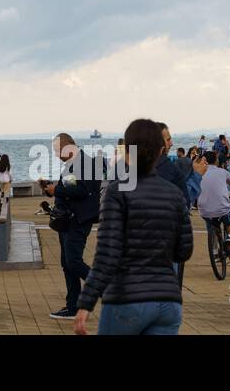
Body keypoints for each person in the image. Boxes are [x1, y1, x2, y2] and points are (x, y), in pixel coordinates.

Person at [73, 119, 192, 335]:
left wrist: (86, 302)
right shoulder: (174, 194)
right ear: (160, 151)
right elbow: (184, 250)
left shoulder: (117, 193)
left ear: (127, 153)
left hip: (126, 298)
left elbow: (107, 255)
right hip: (168, 301)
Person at [41, 133, 104, 320]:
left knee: (74, 262)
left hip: (77, 221)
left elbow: (82, 190)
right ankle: (72, 306)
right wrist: (51, 189)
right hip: (68, 220)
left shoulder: (86, 163)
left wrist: (57, 189)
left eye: (57, 150)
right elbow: (71, 188)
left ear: (68, 146)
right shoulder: (75, 163)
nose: (56, 154)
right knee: (67, 264)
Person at [195, 151, 230, 251]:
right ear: (216, 160)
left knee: (211, 224)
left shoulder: (199, 173)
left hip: (204, 211)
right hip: (222, 210)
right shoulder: (223, 172)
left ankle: (215, 250)